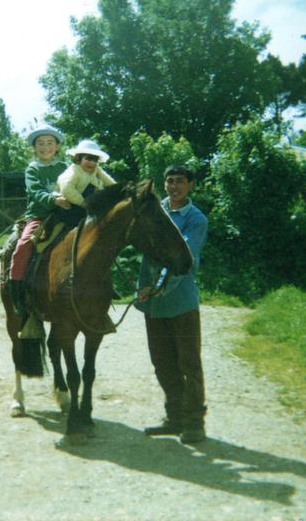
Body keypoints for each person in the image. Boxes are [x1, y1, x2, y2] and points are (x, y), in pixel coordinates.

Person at [135, 164, 208, 444]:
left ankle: (194, 423)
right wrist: (143, 290)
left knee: (188, 362)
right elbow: (146, 254)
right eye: (169, 181)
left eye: (179, 181)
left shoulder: (195, 219)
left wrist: (158, 290)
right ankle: (174, 417)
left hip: (181, 302)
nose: (173, 186)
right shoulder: (156, 211)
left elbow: (183, 261)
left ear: (190, 185)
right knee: (162, 362)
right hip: (154, 304)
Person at [9, 122, 70, 318]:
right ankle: (17, 291)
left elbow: (74, 184)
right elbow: (35, 191)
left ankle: (102, 289)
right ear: (35, 148)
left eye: (50, 142)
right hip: (40, 215)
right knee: (23, 245)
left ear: (57, 146)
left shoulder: (65, 167)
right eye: (41, 143)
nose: (45, 147)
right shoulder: (32, 169)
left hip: (66, 213)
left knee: (93, 237)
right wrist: (55, 199)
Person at [56, 139, 116, 228]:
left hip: (89, 207)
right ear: (78, 158)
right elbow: (66, 189)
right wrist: (84, 203)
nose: (92, 162)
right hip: (70, 207)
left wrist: (119, 190)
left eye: (95, 160)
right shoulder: (73, 172)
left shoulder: (97, 170)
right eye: (89, 158)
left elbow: (110, 183)